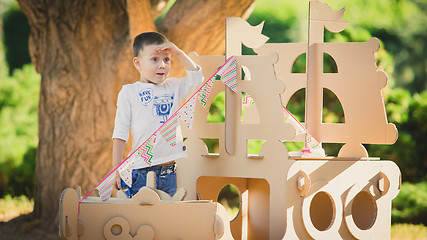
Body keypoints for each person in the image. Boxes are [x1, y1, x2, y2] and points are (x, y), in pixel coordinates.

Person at [112, 32, 203, 197]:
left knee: (165, 218)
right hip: (140, 171)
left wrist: (178, 52)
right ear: (138, 63)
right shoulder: (129, 92)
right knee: (142, 218)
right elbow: (120, 134)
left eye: (167, 59)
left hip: (169, 172)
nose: (162, 65)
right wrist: (116, 169)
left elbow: (197, 78)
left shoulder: (174, 87)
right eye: (154, 59)